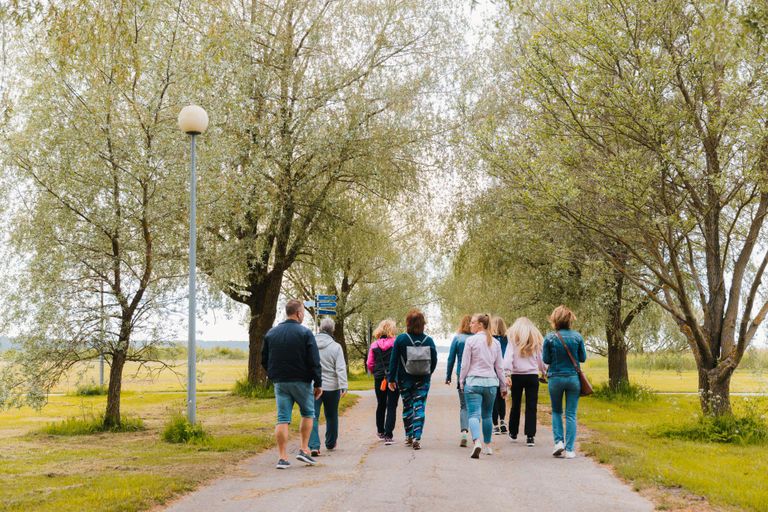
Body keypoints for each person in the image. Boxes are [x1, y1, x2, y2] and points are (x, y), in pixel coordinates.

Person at [261, 299, 323, 470]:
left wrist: (273, 374)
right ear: (298, 313)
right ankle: (304, 449)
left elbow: (264, 359)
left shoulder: (271, 333)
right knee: (308, 413)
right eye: (303, 313)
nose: (303, 316)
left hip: (280, 382)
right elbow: (314, 361)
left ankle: (282, 457)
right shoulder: (305, 333)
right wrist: (318, 383)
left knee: (282, 418)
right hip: (302, 380)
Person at [387, 308, 437, 451]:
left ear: (408, 323)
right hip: (423, 380)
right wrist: (428, 373)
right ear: (423, 324)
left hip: (404, 379)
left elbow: (393, 360)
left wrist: (391, 379)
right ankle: (417, 437)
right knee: (419, 407)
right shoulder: (429, 340)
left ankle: (409, 435)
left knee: (407, 407)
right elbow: (434, 361)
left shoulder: (401, 339)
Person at [459, 313, 507, 459]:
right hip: (491, 384)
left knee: (473, 414)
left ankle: (477, 442)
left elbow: (465, 364)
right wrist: (503, 386)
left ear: (480, 325)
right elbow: (500, 367)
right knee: (487, 415)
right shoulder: (495, 343)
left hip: (473, 382)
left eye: (473, 322)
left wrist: (461, 380)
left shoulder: (471, 341)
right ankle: (488, 446)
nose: (470, 325)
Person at [542, 305, 586, 459]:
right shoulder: (577, 337)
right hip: (573, 378)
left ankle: (558, 442)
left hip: (555, 378)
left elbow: (546, 359)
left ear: (554, 320)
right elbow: (583, 358)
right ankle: (570, 450)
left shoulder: (550, 338)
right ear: (570, 320)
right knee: (571, 414)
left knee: (556, 411)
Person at [503, 317, 547, 446]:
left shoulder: (513, 338)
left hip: (517, 375)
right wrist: (543, 371)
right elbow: (540, 358)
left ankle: (513, 432)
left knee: (515, 404)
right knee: (531, 406)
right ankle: (530, 436)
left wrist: (506, 373)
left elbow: (508, 357)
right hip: (532, 376)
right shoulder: (535, 339)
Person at [309, 318, 348, 457]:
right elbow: (340, 368)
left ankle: (314, 446)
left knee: (312, 415)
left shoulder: (310, 344)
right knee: (331, 415)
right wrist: (343, 385)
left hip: (314, 386)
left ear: (320, 329)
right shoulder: (336, 347)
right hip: (332, 387)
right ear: (332, 330)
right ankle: (330, 443)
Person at [366, 318, 399, 444]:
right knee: (392, 405)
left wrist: (375, 372)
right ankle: (388, 435)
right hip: (393, 378)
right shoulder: (396, 343)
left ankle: (380, 431)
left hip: (379, 378)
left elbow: (369, 363)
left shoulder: (374, 345)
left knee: (381, 404)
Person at [445, 315, 472, 447]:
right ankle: (477, 435)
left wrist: (448, 376)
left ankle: (464, 433)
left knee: (464, 406)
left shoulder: (457, 338)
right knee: (476, 405)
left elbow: (451, 359)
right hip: (476, 375)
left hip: (461, 374)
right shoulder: (478, 338)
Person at [490, 316, 509, 435]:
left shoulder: (490, 339)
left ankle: (495, 425)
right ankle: (502, 421)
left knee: (493, 398)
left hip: (492, 369)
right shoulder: (507, 339)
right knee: (502, 396)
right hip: (504, 369)